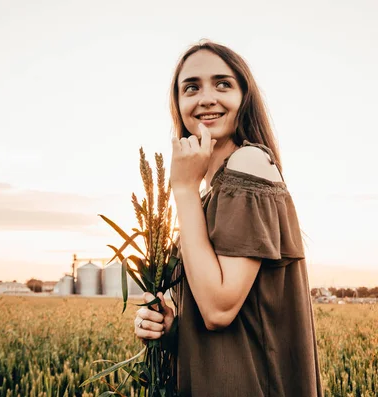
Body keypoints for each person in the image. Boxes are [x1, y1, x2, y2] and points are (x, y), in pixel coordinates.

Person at [133, 40, 323, 397]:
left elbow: (218, 309)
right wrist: (171, 328)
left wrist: (184, 190)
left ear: (244, 98)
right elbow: (226, 324)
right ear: (178, 104)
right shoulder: (210, 192)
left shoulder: (248, 164)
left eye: (223, 84)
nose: (206, 97)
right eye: (191, 87)